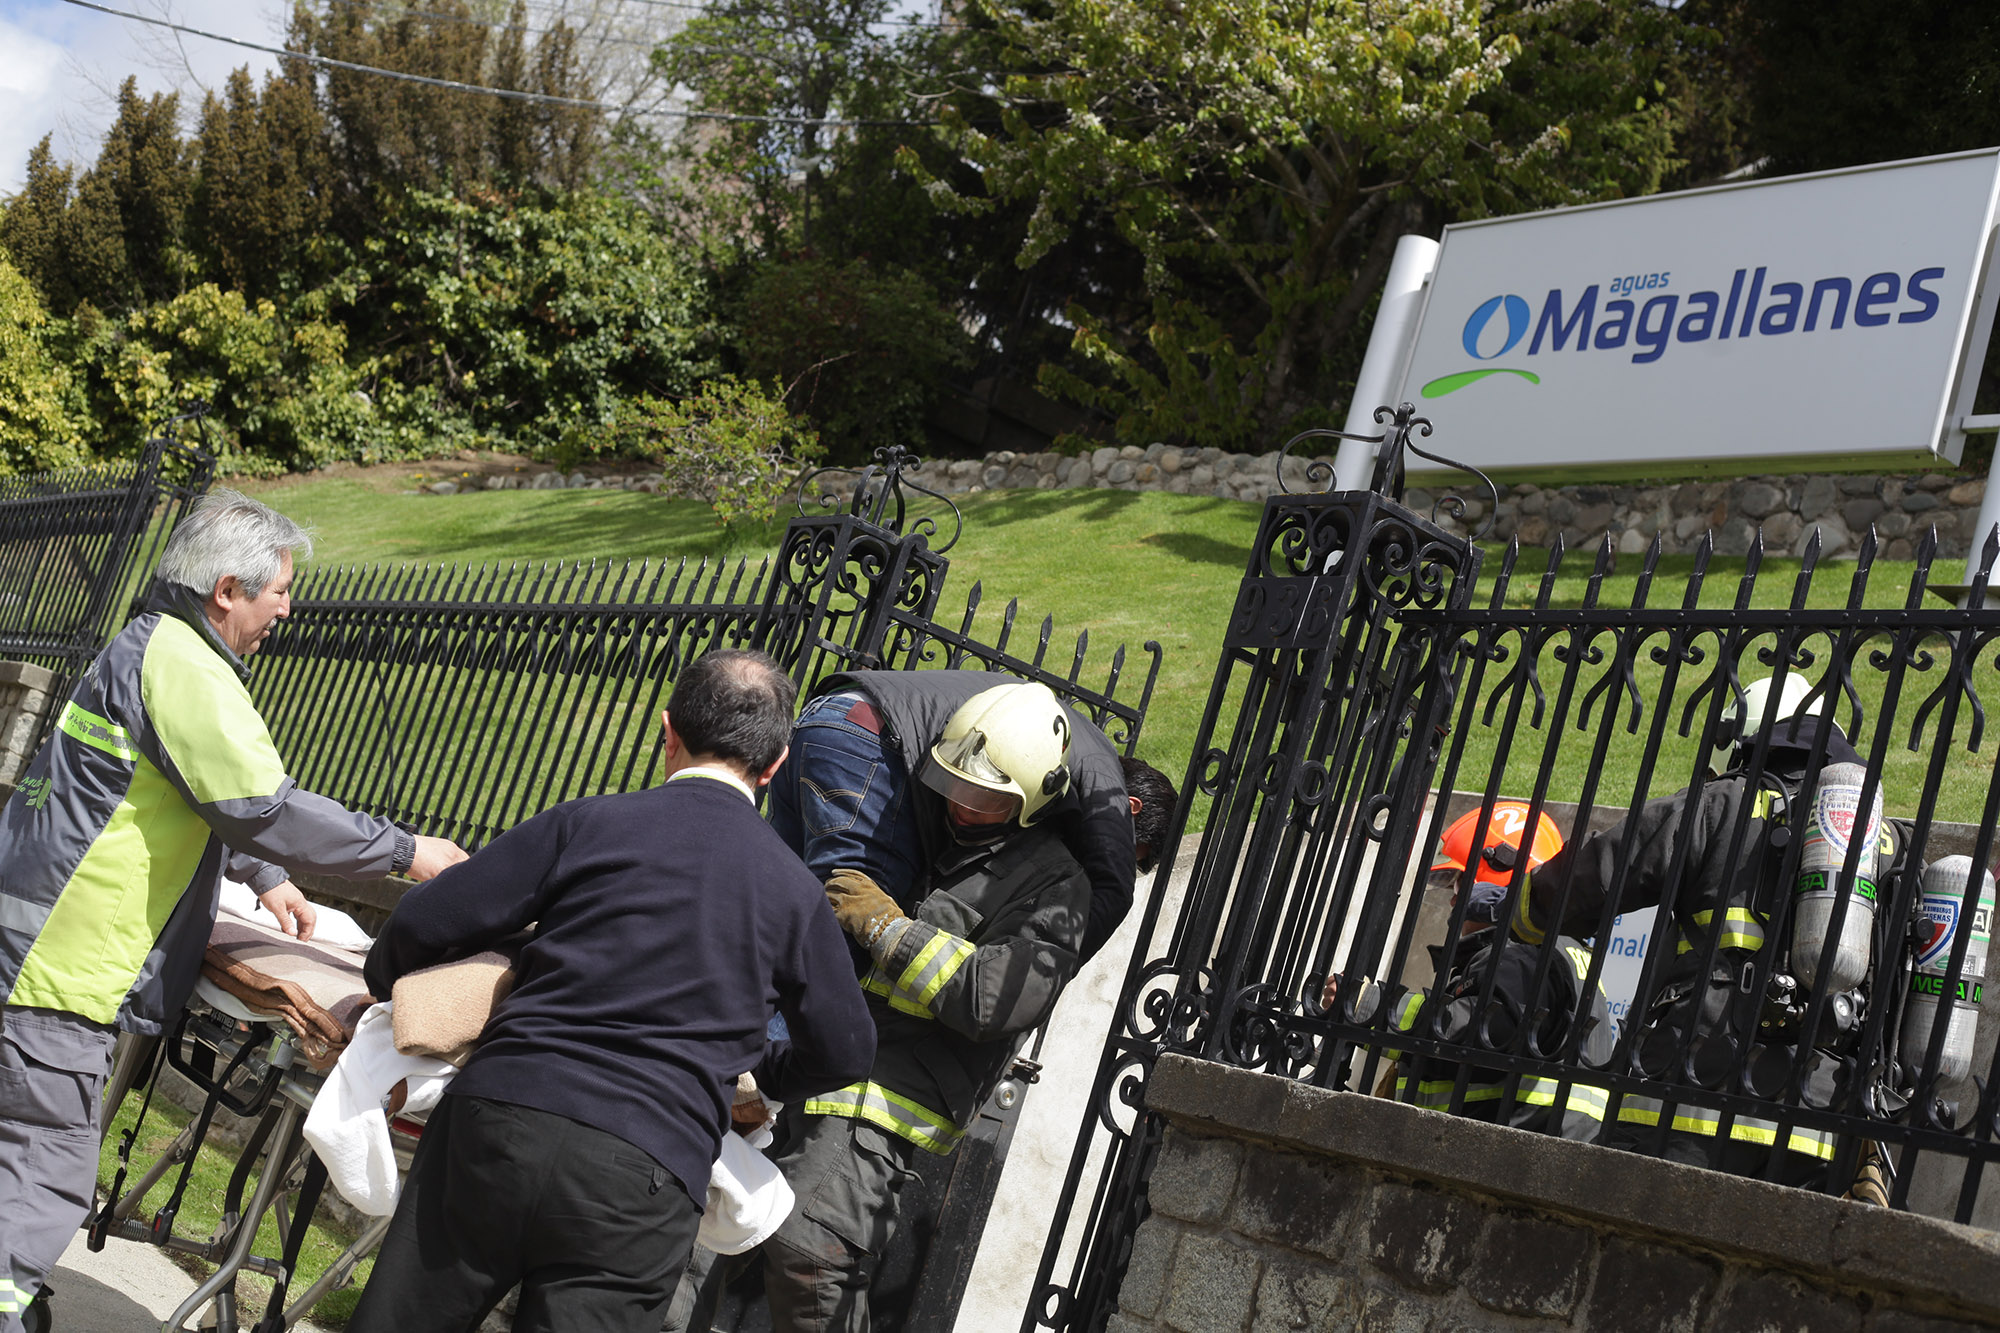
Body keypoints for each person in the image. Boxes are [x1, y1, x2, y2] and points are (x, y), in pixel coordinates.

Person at [0, 489, 468, 1332]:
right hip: (60, 969)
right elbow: (259, 803)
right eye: (278, 589)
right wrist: (406, 849)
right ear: (227, 588)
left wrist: (261, 872)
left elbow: (183, 790)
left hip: (33, 941)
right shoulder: (184, 661)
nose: (287, 608)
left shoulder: (148, 647)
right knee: (44, 1168)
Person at [349, 648, 877, 1333]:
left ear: (668, 732)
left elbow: (424, 918)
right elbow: (847, 1048)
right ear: (774, 766)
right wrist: (759, 1069)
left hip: (503, 1112)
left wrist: (386, 986)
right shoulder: (793, 890)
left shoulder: (587, 822)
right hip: (648, 1167)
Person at [757, 676, 1175, 1333]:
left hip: (882, 1091)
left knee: (810, 1245)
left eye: (986, 796)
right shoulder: (932, 827)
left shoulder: (1060, 888)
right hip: (830, 1068)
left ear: (1036, 799)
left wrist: (886, 929)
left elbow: (993, 998)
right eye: (955, 783)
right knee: (703, 1230)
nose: (963, 804)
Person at [1509, 673, 1911, 1186]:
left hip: (1691, 1099)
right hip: (1818, 1121)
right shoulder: (1885, 844)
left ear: (1752, 737)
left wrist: (1522, 914)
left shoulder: (1722, 804)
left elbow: (1597, 875)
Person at [766, 669, 1173, 967]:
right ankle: (772, 1069)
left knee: (776, 901)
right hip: (872, 745)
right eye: (1130, 851)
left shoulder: (1062, 744)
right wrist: (1042, 975)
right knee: (848, 926)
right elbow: (1114, 889)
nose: (1118, 855)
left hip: (826, 718)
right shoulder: (1104, 778)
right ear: (1130, 808)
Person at [1347, 802, 1615, 1140]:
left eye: (1460, 884)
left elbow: (1476, 1032)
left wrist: (1369, 1006)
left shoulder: (1520, 955)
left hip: (1502, 1156)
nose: (1451, 901)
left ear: (1498, 876)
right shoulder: (1557, 952)